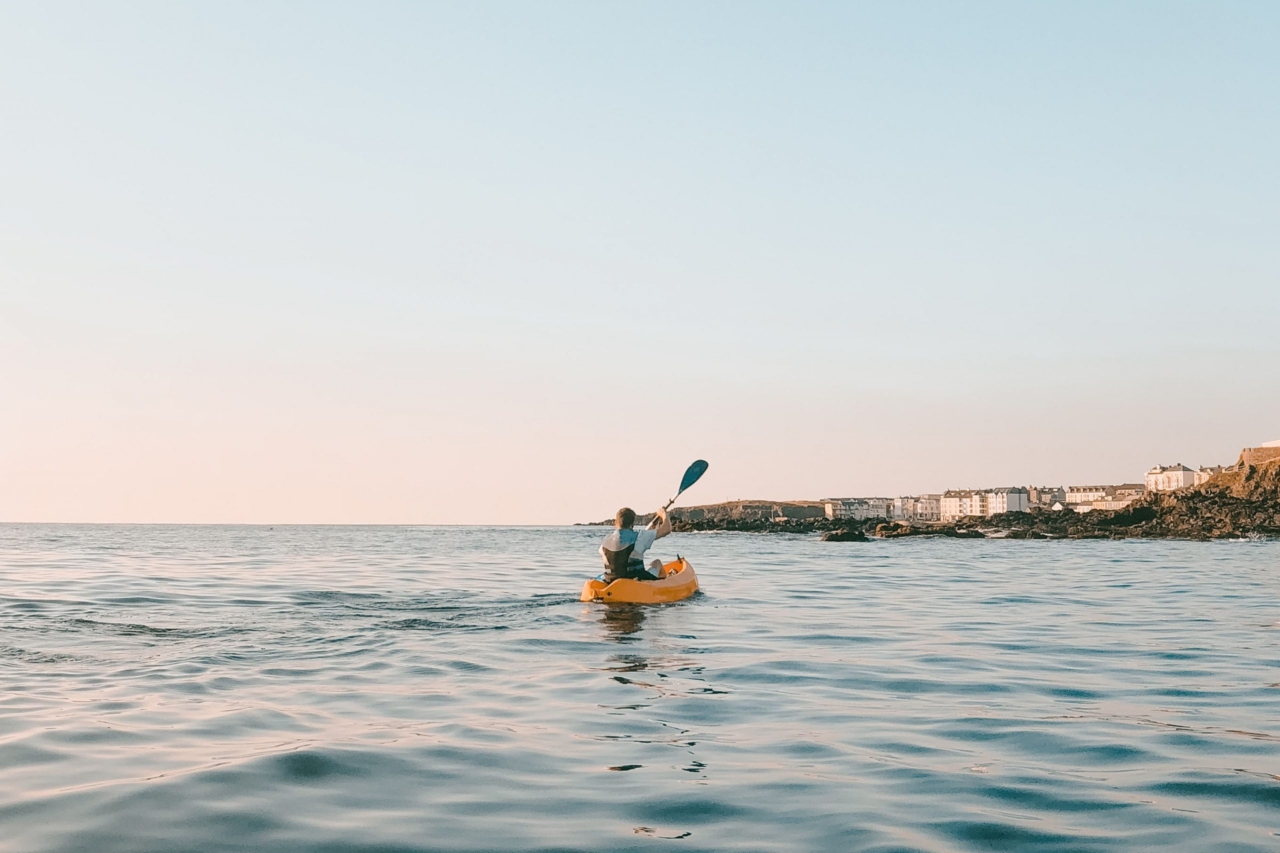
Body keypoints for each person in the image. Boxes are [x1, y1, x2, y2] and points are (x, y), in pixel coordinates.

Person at [599, 506, 672, 582]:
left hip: (612, 581)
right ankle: (663, 585)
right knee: (657, 563)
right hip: (636, 582)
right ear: (632, 525)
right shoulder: (640, 537)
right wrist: (663, 513)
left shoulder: (604, 543)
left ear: (615, 523)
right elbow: (667, 529)